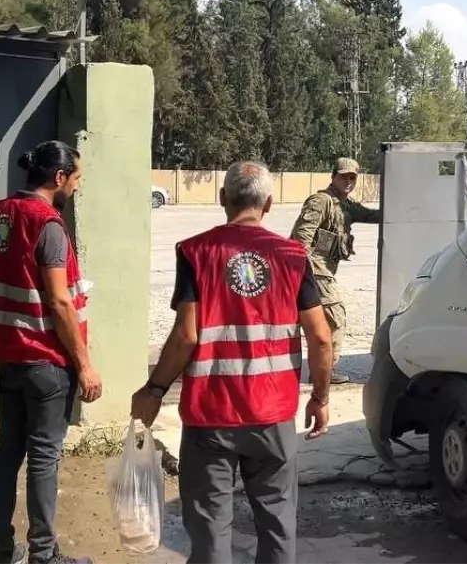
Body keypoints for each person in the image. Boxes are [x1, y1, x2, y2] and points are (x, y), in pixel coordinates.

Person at [130, 161, 334, 564]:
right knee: (277, 524)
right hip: (272, 416)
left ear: (223, 198)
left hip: (211, 417)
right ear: (269, 204)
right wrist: (320, 397)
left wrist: (154, 389)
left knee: (209, 531)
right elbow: (321, 337)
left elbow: (187, 335)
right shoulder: (293, 256)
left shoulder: (196, 252)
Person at [0, 140, 102, 564]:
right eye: (76, 179)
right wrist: (85, 365)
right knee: (44, 457)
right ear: (59, 178)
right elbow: (60, 302)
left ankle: (0, 552)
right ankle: (44, 554)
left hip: (7, 357)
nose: (77, 187)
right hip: (45, 362)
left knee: (7, 452)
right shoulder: (49, 225)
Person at [289, 157, 381, 385]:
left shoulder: (346, 205)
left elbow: (372, 216)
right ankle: (325, 371)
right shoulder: (321, 201)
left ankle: (318, 369)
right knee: (335, 316)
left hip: (319, 272)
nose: (348, 181)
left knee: (311, 321)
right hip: (313, 270)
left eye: (352, 177)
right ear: (333, 177)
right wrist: (305, 275)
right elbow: (301, 239)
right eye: (343, 176)